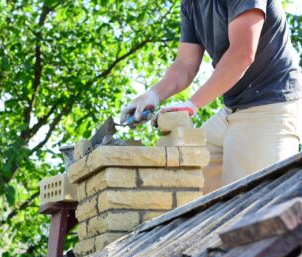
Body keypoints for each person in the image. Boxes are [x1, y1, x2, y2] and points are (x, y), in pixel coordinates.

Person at [120, 0, 302, 194]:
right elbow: (185, 65)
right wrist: (152, 95)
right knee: (181, 181)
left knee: (251, 206)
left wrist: (192, 105)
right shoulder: (191, 3)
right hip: (231, 111)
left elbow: (242, 53)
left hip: (270, 107)